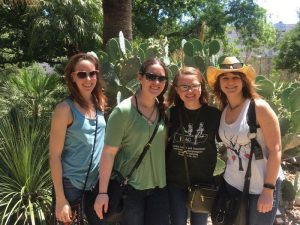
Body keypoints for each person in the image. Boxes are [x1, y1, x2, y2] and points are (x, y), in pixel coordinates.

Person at [207, 56, 284, 225]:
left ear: (243, 81)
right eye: (225, 78)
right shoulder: (225, 109)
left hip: (260, 186)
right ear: (219, 84)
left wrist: (268, 190)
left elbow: (276, 149)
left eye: (235, 77)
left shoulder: (258, 108)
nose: (230, 82)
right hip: (232, 184)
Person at [94, 58, 170, 225]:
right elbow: (108, 153)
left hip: (159, 189)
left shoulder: (164, 110)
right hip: (130, 191)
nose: (156, 82)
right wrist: (102, 193)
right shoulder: (123, 112)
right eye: (151, 76)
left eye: (161, 78)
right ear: (140, 77)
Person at [49, 52, 107, 224]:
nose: (88, 79)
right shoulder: (64, 109)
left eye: (92, 73)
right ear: (73, 77)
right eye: (82, 74)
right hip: (70, 186)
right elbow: (54, 156)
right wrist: (60, 199)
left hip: (95, 184)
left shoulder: (99, 105)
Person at [166, 67, 221, 225]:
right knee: (177, 221)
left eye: (194, 86)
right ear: (176, 89)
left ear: (201, 87)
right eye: (184, 87)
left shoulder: (214, 115)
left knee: (199, 222)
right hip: (175, 181)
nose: (189, 91)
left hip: (203, 182)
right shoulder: (171, 114)